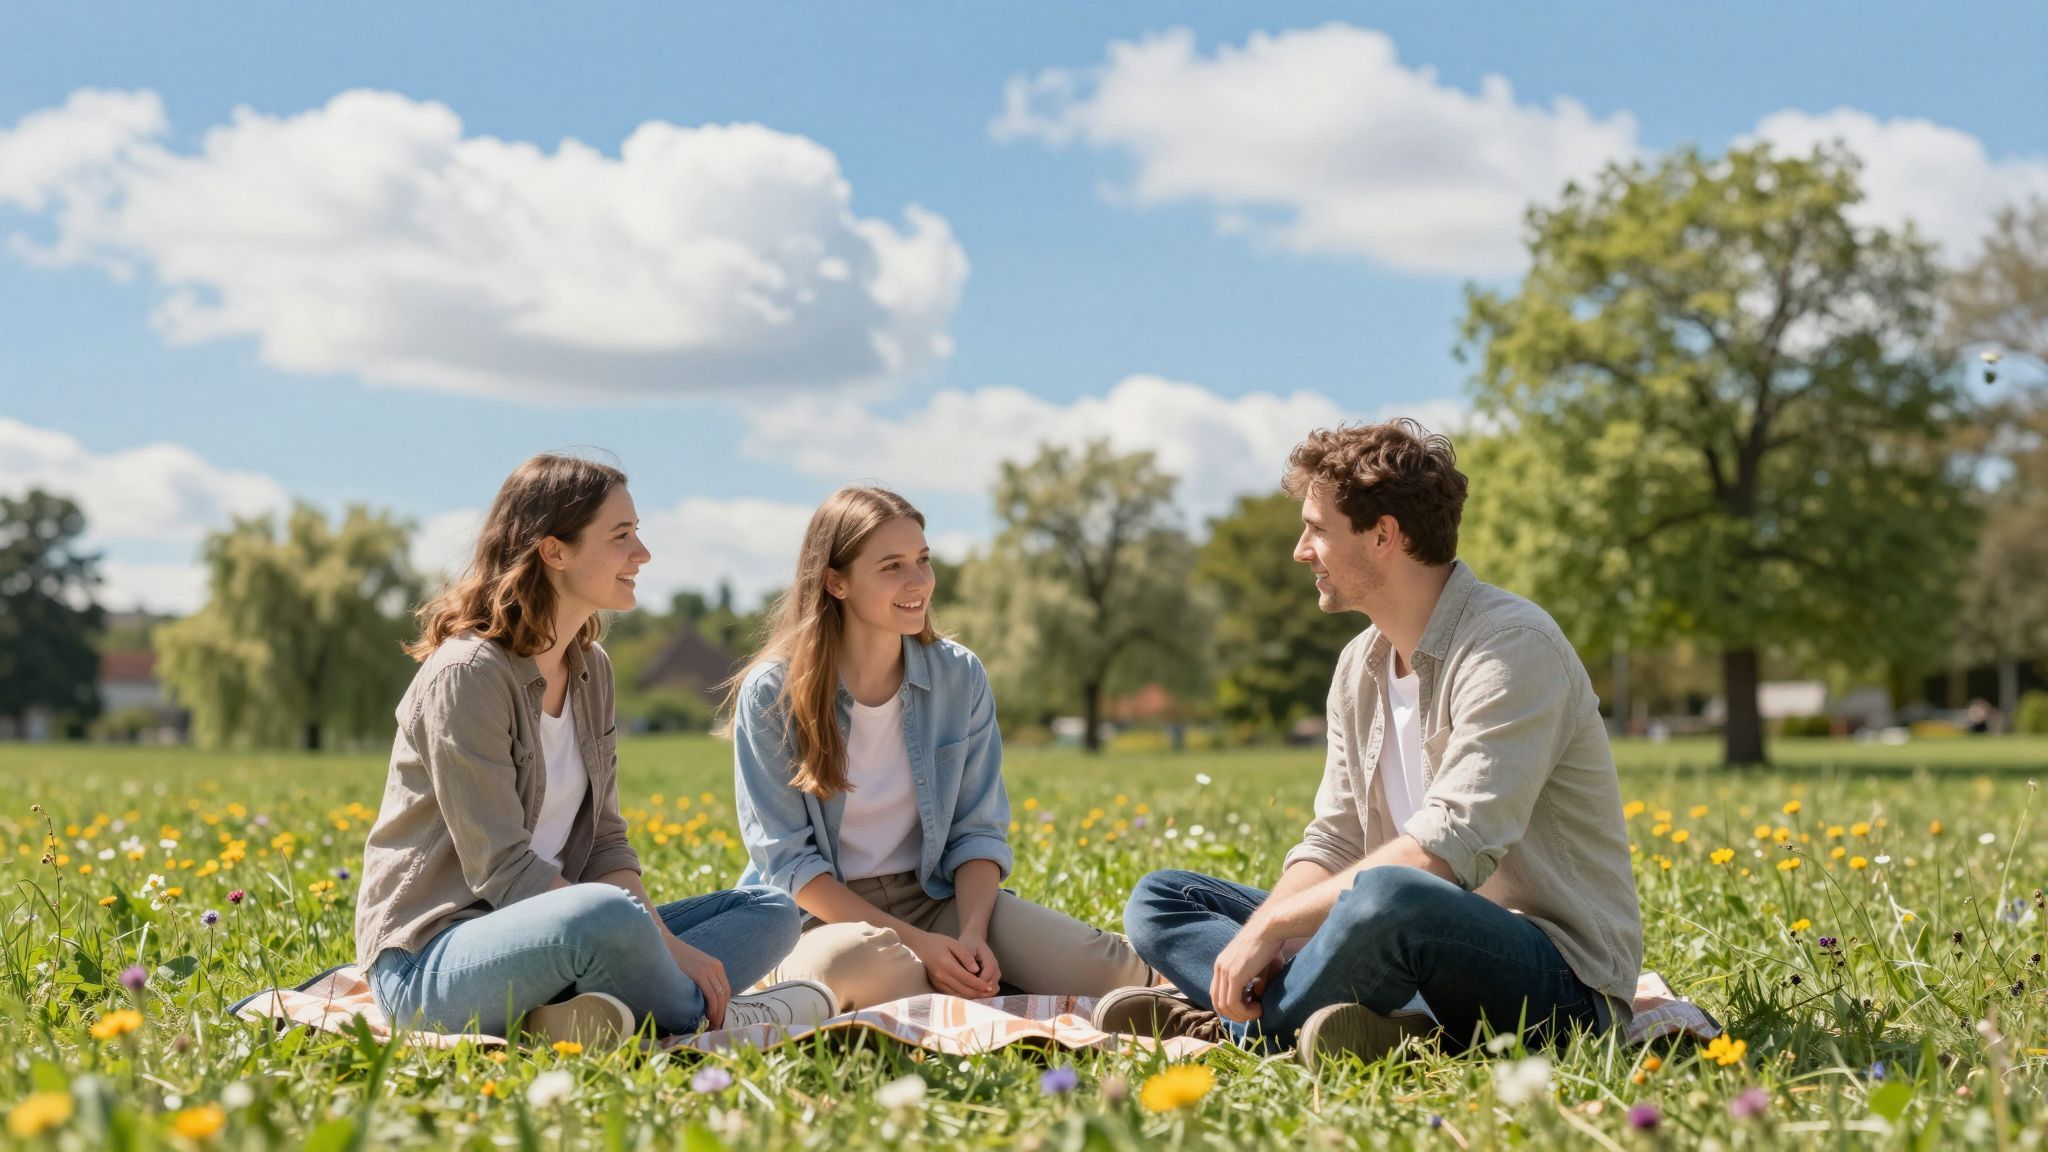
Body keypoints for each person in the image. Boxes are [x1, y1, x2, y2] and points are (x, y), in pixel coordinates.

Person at [1096, 421, 1643, 1069]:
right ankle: (1363, 1023)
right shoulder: (1360, 665)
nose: (1301, 551)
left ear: (1384, 535)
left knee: (1392, 894)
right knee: (1164, 898)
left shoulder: (1512, 646)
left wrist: (1271, 930)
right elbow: (1332, 840)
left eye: (1318, 529)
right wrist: (1264, 932)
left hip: (1557, 984)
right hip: (1397, 939)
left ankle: (1233, 1028)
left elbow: (1447, 850)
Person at [354, 453, 832, 1048]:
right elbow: (504, 868)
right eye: (621, 535)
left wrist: (660, 939)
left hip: (567, 934)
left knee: (772, 910)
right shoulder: (468, 674)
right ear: (554, 551)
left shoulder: (590, 669)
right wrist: (662, 946)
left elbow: (605, 841)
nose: (643, 553)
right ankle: (723, 1017)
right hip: (432, 963)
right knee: (601, 914)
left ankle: (576, 1014)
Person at [726, 485, 1151, 1009]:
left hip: (935, 898)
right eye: (892, 566)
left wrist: (972, 934)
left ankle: (963, 985)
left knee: (1107, 969)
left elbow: (976, 830)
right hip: (818, 917)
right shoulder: (771, 693)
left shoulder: (959, 674)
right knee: (856, 967)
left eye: (923, 561)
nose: (918, 582)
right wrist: (920, 947)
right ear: (835, 581)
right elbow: (789, 864)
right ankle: (967, 991)